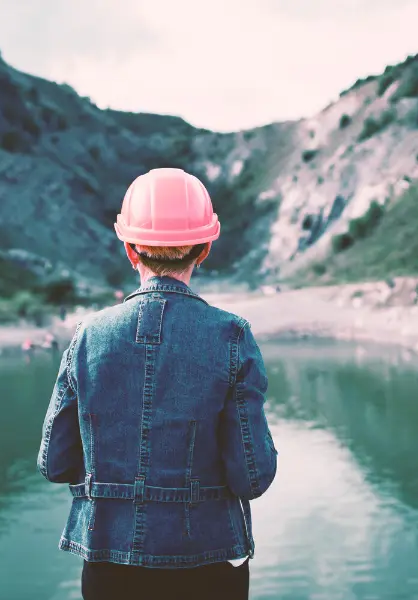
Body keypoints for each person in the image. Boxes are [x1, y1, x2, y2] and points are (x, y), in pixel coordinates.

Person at [37, 168, 278, 600]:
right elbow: (252, 477)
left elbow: (55, 464)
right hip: (209, 560)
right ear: (204, 249)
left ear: (131, 250)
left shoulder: (87, 335)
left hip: (109, 560)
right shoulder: (232, 335)